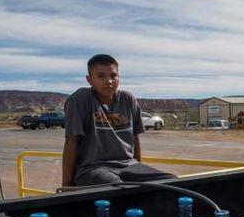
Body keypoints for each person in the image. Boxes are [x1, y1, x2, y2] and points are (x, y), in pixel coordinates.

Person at [62, 54, 175, 187]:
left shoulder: (127, 99)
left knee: (173, 182)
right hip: (92, 169)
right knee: (120, 189)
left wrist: (138, 167)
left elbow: (135, 138)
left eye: (113, 76)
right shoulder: (80, 99)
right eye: (101, 76)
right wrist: (66, 185)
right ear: (89, 80)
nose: (109, 81)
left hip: (128, 165)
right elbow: (71, 142)